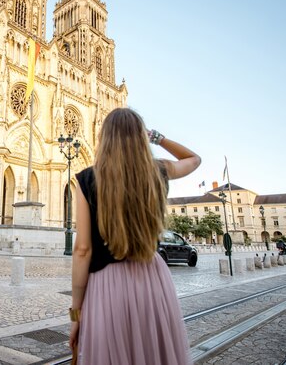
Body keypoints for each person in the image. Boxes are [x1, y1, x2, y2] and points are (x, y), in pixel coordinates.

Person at [70, 107, 201, 365]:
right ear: (142, 137)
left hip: (107, 286)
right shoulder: (158, 170)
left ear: (104, 138)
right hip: (152, 279)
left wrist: (76, 314)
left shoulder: (87, 179)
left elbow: (82, 250)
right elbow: (194, 159)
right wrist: (158, 138)